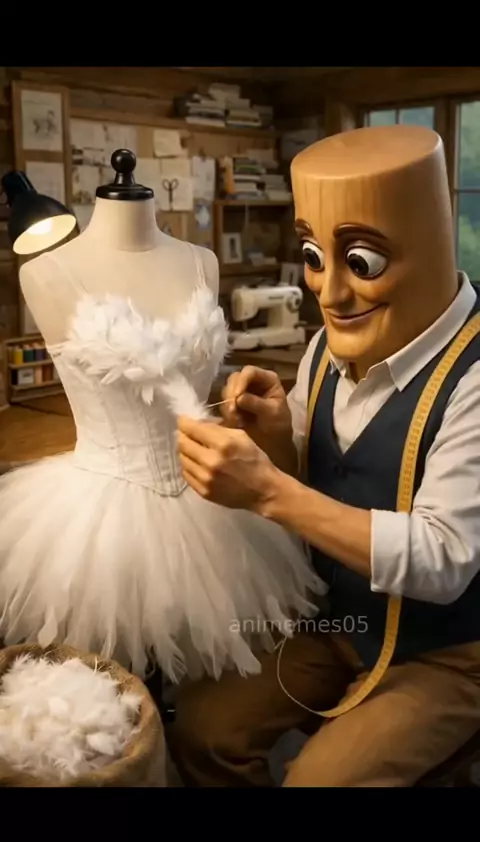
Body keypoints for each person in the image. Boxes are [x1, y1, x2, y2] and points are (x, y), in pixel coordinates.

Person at [171, 125, 480, 787]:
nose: (330, 293)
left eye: (362, 263)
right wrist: (277, 437)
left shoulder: (475, 376)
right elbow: (316, 480)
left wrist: (265, 489)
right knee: (201, 727)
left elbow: (443, 558)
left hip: (448, 651)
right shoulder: (323, 350)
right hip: (340, 622)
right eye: (314, 256)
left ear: (430, 243)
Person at [0, 159, 322, 684]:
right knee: (106, 680)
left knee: (204, 687)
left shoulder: (201, 261)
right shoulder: (46, 271)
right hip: (97, 511)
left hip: (209, 499)